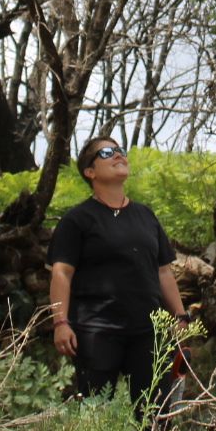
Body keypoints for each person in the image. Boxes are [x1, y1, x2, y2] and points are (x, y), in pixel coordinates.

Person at [47, 136, 188, 409]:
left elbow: (164, 272)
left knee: (154, 413)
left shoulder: (146, 216)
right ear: (90, 172)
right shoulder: (77, 220)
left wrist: (181, 317)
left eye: (121, 150)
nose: (118, 155)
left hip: (148, 331)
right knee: (96, 414)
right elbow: (61, 274)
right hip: (96, 332)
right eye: (107, 153)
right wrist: (60, 323)